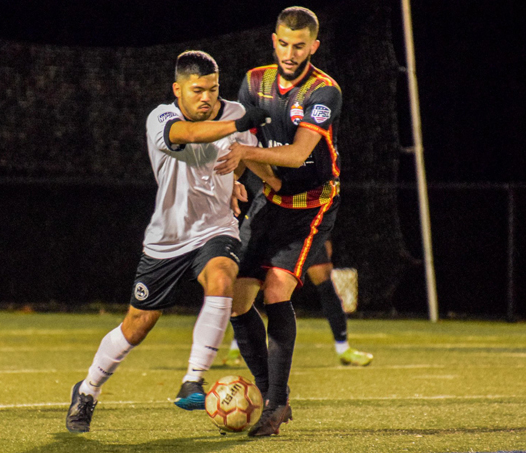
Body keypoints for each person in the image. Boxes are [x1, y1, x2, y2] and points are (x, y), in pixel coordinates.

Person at [65, 50, 274, 433]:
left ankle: (193, 379)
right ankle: (88, 390)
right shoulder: (162, 118)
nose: (206, 98)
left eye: (212, 89)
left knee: (223, 277)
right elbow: (192, 135)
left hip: (215, 230)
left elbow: (241, 151)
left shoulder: (232, 113)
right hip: (167, 241)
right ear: (177, 90)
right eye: (197, 90)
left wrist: (239, 178)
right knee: (137, 326)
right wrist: (243, 119)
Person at [213, 6, 345, 437]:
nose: (290, 53)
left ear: (314, 46)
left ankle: (274, 403)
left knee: (275, 290)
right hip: (271, 199)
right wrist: (236, 179)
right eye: (284, 44)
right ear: (274, 40)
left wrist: (247, 159)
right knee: (235, 299)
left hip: (312, 205)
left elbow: (296, 155)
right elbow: (240, 139)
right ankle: (273, 396)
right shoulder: (254, 82)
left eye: (300, 45)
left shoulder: (324, 92)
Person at [224, 172, 373, 367]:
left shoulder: (314, 150)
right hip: (267, 215)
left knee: (324, 278)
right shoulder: (261, 148)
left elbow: (325, 185)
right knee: (251, 283)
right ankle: (238, 347)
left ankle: (343, 348)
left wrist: (325, 236)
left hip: (303, 219)